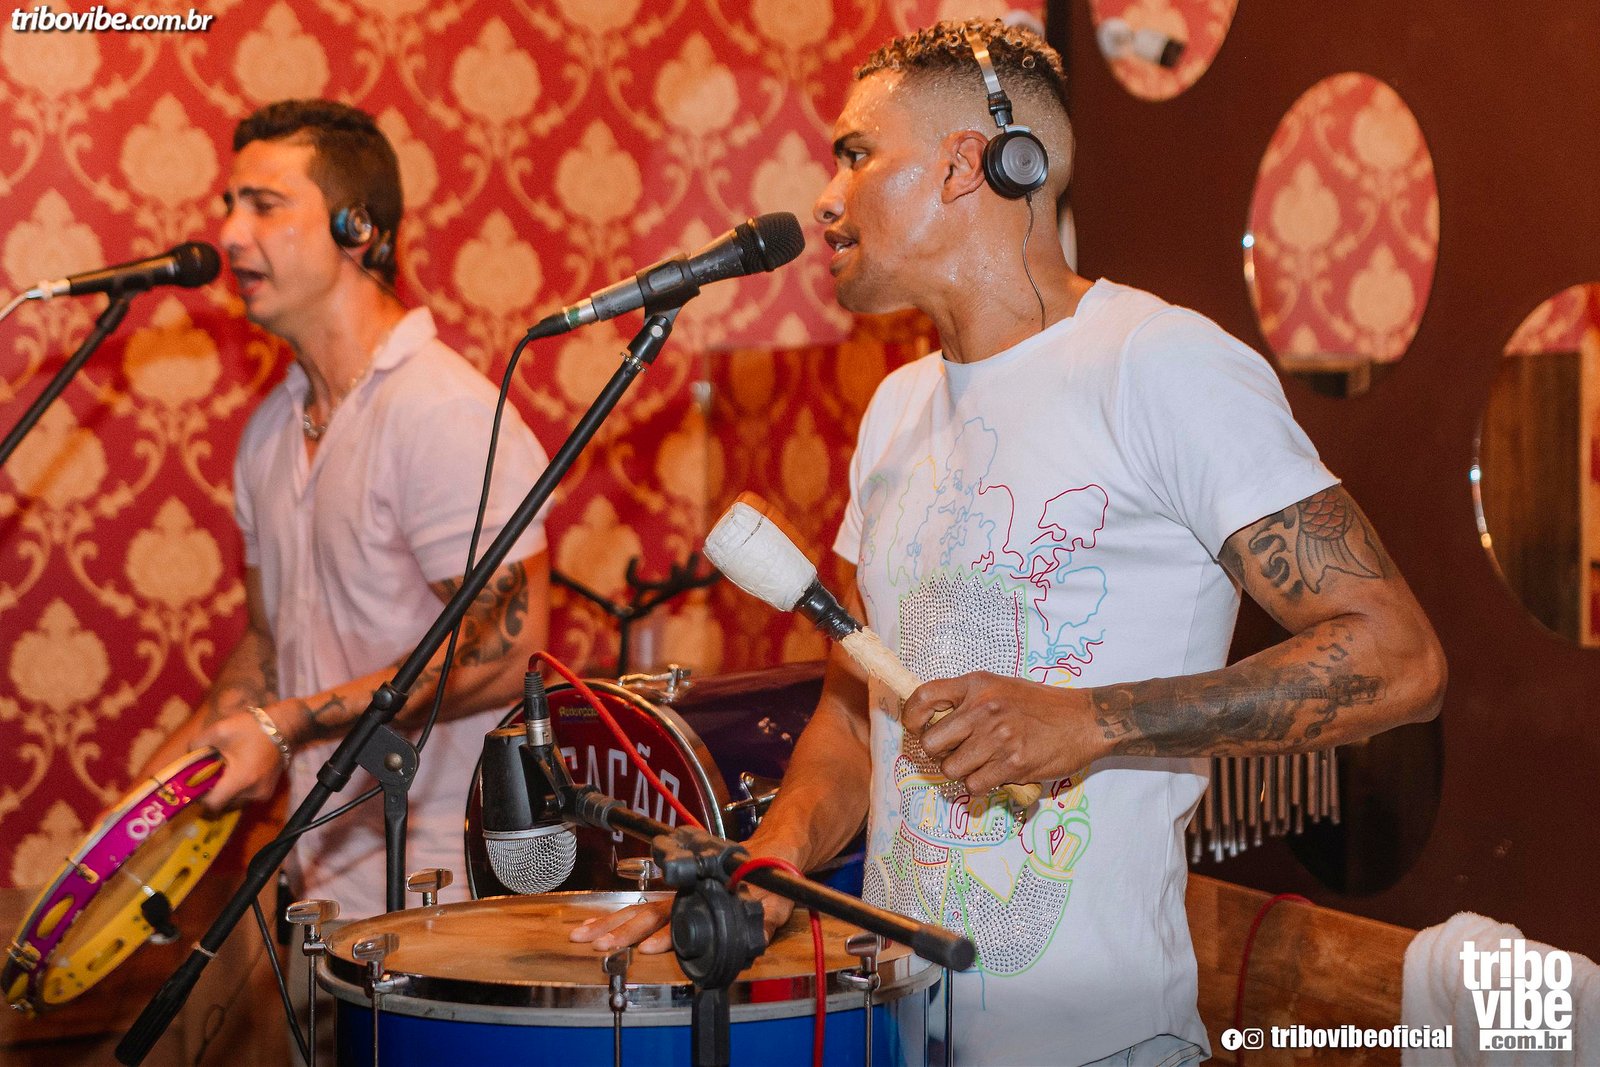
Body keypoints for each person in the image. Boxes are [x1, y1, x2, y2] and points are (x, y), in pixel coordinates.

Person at [573, 19, 1446, 1067]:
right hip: (894, 1031)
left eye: (856, 154)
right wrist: (773, 860)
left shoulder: (1159, 365)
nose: (825, 198)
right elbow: (853, 711)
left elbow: (1399, 656)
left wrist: (1090, 719)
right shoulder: (893, 411)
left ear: (963, 165)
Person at [142, 99, 551, 922]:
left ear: (356, 228)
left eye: (264, 205)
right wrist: (161, 787)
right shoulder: (272, 427)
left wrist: (287, 725)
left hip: (445, 897)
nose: (229, 234)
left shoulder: (442, 411)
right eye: (230, 205)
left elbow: (506, 654)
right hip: (318, 884)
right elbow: (271, 642)